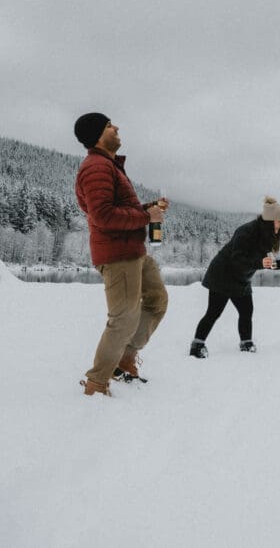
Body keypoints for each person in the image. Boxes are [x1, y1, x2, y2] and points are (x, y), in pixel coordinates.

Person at [73, 112, 169, 396]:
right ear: (98, 135)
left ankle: (125, 360)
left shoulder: (108, 166)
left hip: (133, 251)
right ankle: (97, 382)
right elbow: (102, 215)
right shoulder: (95, 168)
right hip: (117, 255)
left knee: (156, 300)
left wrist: (150, 208)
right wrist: (145, 216)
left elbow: (118, 208)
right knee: (124, 317)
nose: (116, 128)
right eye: (109, 125)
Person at [190, 196, 280, 358]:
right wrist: (260, 262)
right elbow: (237, 259)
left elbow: (266, 262)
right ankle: (197, 346)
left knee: (246, 311)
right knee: (213, 312)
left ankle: (246, 343)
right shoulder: (246, 231)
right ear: (270, 220)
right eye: (279, 221)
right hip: (222, 275)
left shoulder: (266, 236)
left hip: (241, 279)